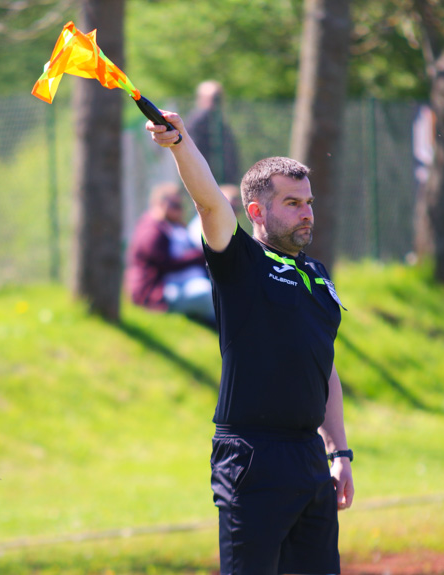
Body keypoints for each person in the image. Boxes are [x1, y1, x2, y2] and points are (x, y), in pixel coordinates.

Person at [146, 110, 354, 574]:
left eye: (309, 201)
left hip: (309, 457)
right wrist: (181, 143)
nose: (307, 213)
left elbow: (325, 367)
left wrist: (338, 451)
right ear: (257, 212)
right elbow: (211, 207)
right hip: (252, 455)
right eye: (293, 203)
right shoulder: (241, 263)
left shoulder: (318, 276)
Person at [124, 182, 216, 327]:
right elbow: (165, 264)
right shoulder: (151, 230)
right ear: (160, 203)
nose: (179, 211)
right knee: (207, 295)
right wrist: (199, 257)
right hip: (154, 292)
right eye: (175, 206)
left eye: (180, 206)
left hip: (176, 286)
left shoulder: (172, 226)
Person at [185, 80, 240, 185]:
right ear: (201, 99)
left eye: (218, 98)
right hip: (202, 180)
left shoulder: (220, 122)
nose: (216, 102)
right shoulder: (196, 122)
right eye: (214, 98)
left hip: (222, 182)